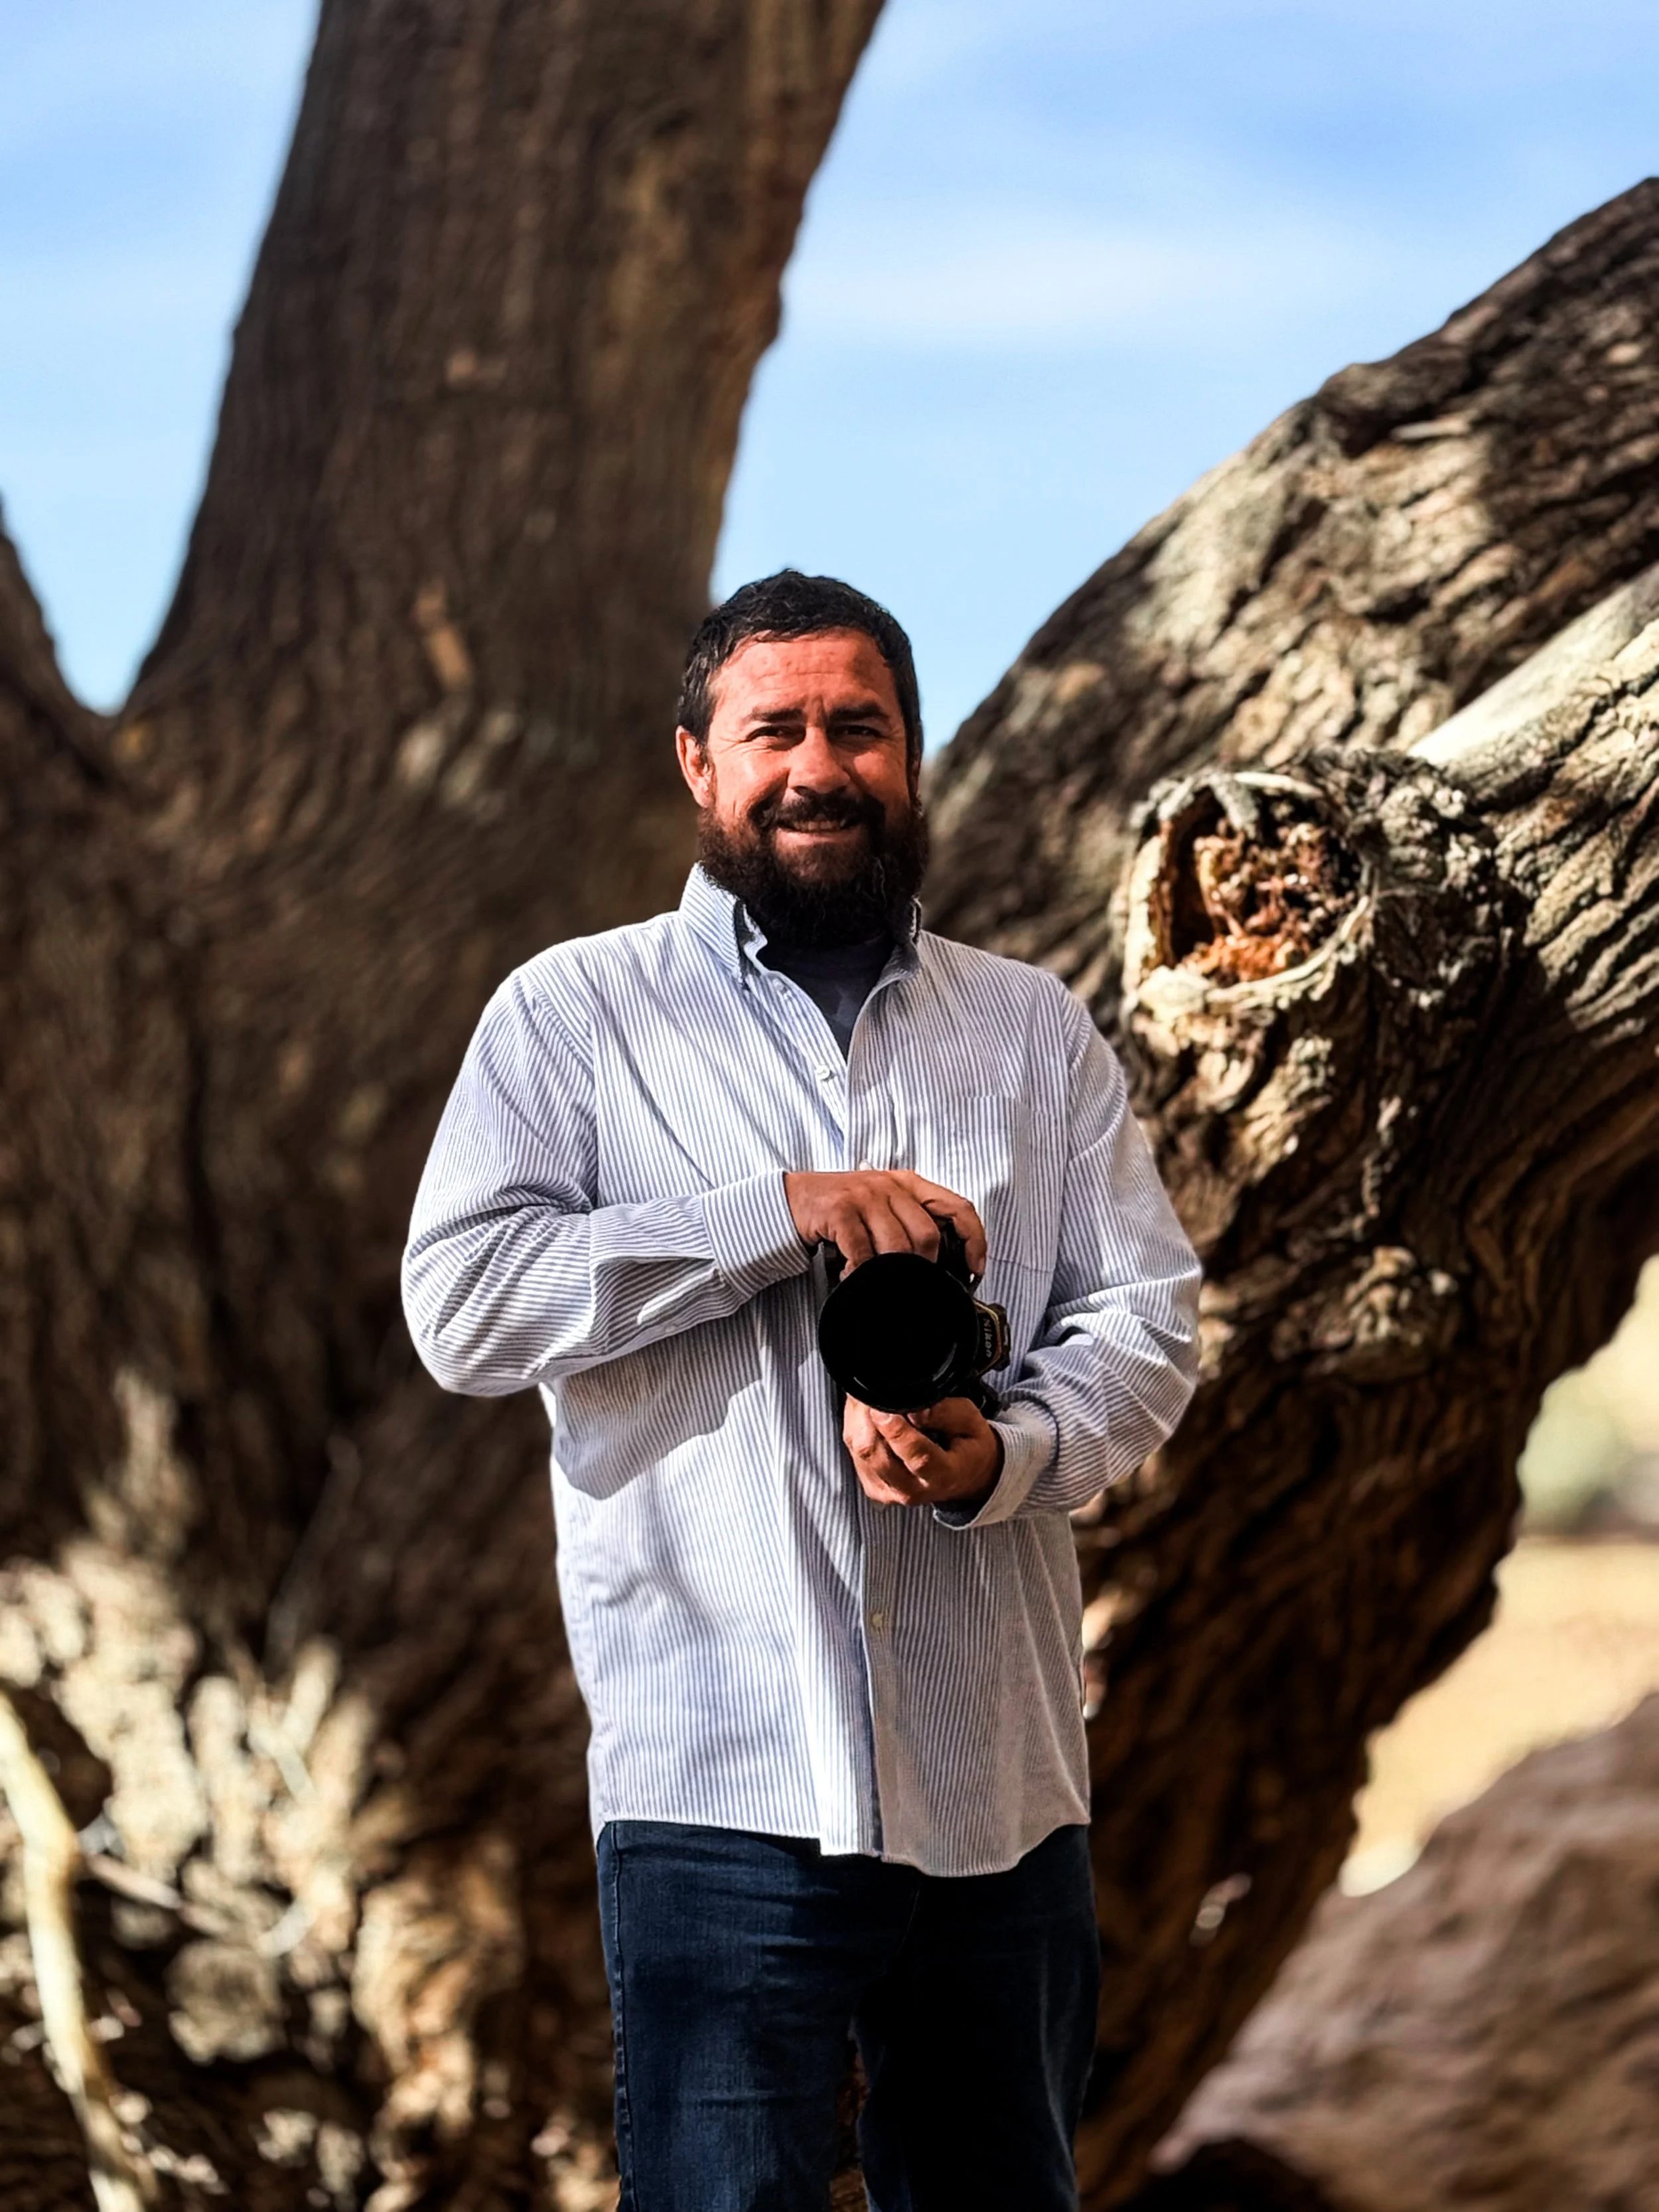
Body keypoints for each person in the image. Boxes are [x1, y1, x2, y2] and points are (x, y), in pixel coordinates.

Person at [402, 571, 1201, 2212]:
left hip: (995, 1787)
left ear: (910, 756)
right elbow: (462, 1308)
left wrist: (1002, 1448)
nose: (817, 767)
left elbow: (1145, 1321)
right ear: (697, 762)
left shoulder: (1029, 1030)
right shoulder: (574, 1017)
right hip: (715, 1784)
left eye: (859, 727)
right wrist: (772, 1216)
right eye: (773, 730)